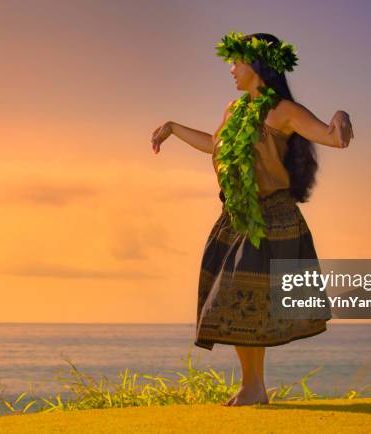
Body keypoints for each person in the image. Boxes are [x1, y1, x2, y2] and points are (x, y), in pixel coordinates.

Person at [150, 32, 354, 406]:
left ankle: (253, 386)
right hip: (235, 217)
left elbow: (331, 137)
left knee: (240, 298)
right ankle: (254, 386)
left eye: (237, 61)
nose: (231, 69)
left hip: (272, 218)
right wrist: (175, 128)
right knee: (239, 304)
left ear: (257, 65)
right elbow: (217, 145)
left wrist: (340, 117)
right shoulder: (235, 109)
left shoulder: (285, 111)